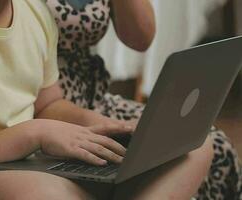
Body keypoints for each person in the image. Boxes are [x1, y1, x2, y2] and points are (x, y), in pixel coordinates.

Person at [0, 0, 214, 199]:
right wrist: (32, 134)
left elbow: (48, 103)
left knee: (194, 145)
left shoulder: (31, 11)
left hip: (32, 160)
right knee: (46, 194)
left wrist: (100, 125)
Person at [45, 0, 242, 199]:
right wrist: (118, 127)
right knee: (175, 151)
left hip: (94, 94)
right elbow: (42, 103)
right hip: (50, 103)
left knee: (207, 142)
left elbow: (141, 39)